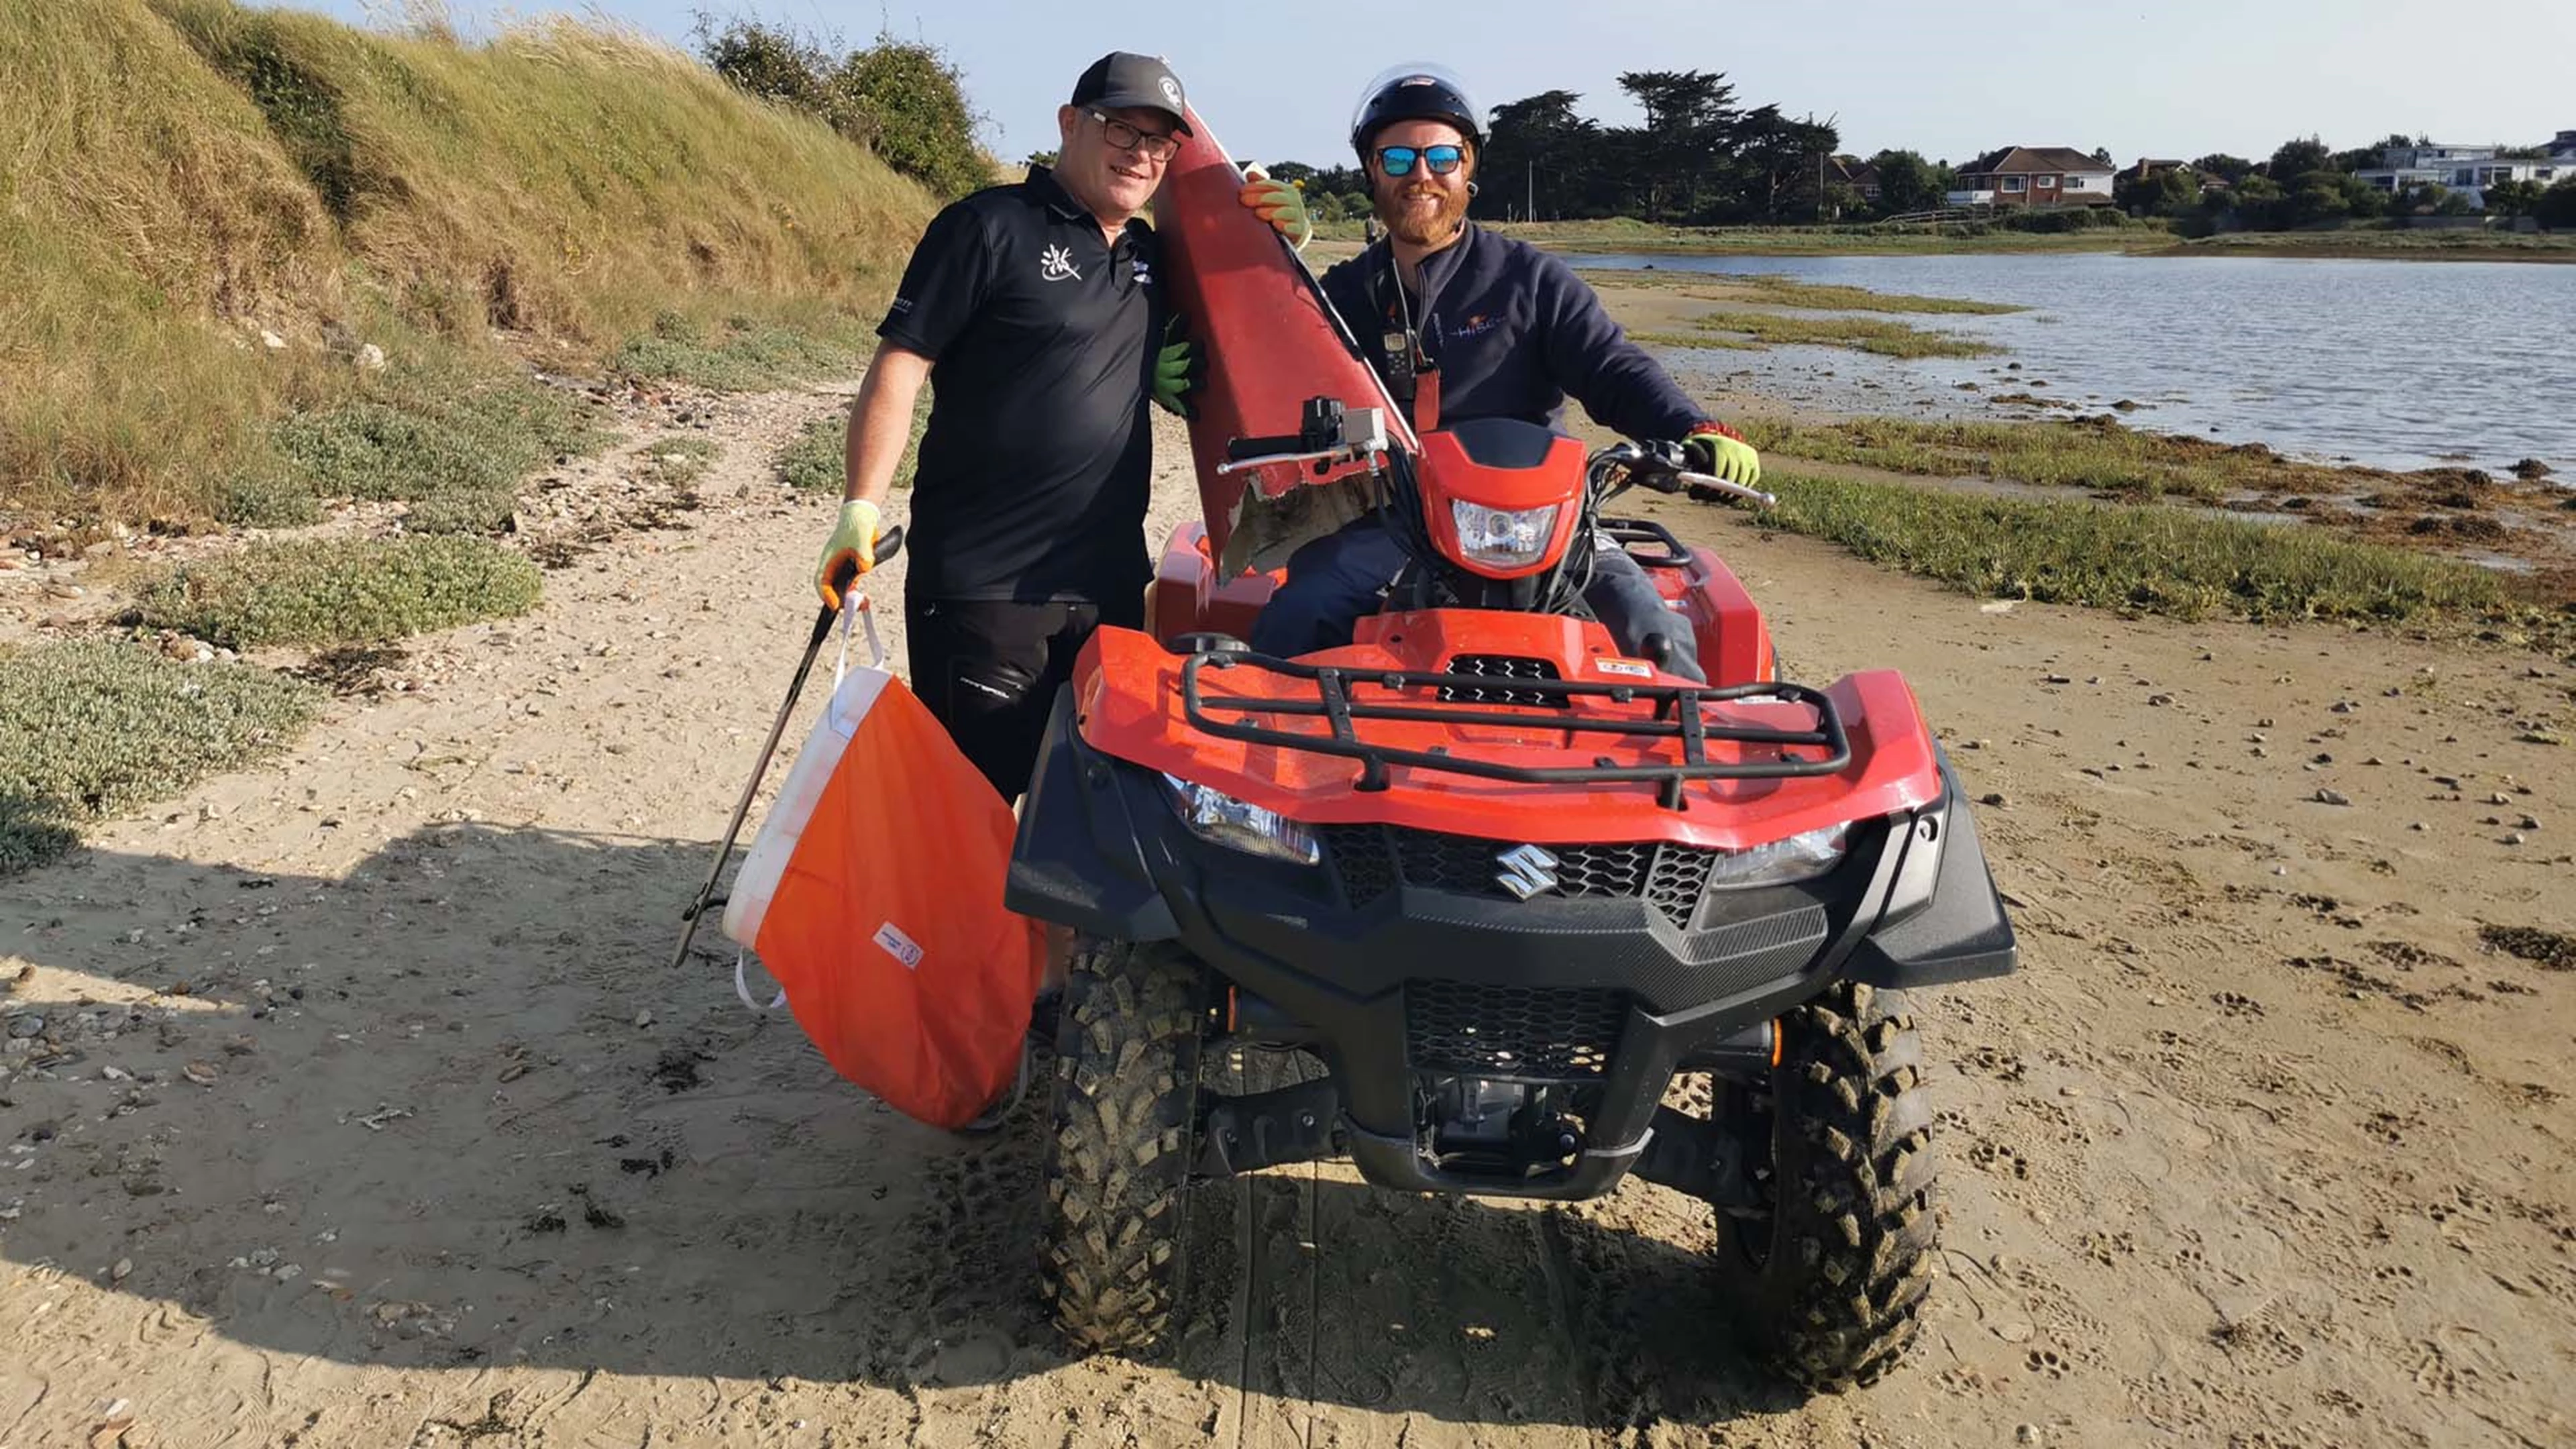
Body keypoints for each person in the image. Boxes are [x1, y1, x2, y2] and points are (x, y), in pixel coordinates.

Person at [1234, 66, 1763, 682]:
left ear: (1469, 168)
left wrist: (1694, 428)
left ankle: (1680, 748)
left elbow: (1612, 367)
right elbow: (1263, 355)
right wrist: (1274, 260)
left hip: (1547, 520)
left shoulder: (1531, 280)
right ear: (1372, 172)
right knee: (1302, 613)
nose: (1421, 174)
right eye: (1398, 158)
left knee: (1655, 636)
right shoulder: (1343, 295)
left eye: (1442, 157)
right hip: (1403, 519)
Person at [814, 52, 1197, 803]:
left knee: (1086, 816)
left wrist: (1278, 230)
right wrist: (861, 505)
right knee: (974, 812)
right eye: (1121, 129)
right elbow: (901, 365)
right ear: (1069, 123)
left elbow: (1248, 305)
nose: (1140, 154)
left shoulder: (1152, 255)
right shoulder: (987, 227)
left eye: (1160, 142)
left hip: (1108, 588)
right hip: (985, 589)